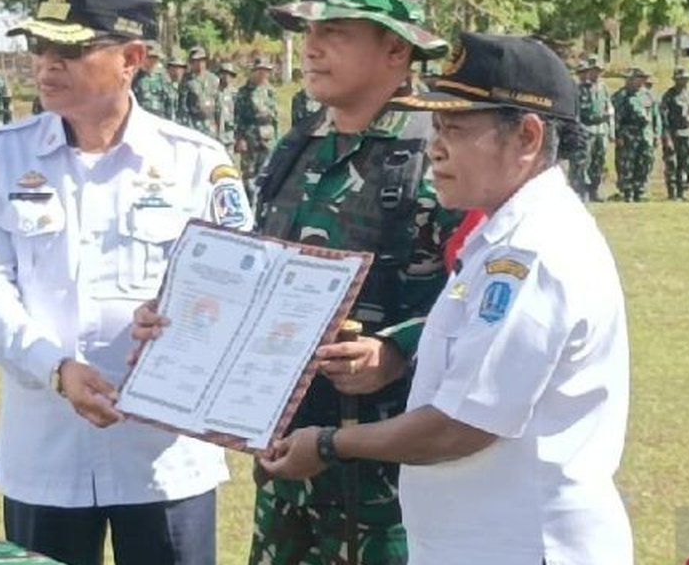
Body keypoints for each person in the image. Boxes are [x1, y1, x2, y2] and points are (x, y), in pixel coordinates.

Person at [257, 32, 634, 565]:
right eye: (436, 126)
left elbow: (461, 426)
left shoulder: (533, 251)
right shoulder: (500, 237)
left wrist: (329, 445)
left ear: (527, 136)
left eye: (455, 129)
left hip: (523, 545)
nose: (435, 146)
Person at [134, 0, 459, 565]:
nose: (312, 47)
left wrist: (396, 348)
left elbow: (477, 302)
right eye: (309, 31)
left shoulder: (439, 151)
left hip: (386, 471)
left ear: (397, 49)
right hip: (286, 455)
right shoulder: (297, 145)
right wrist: (179, 316)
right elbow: (259, 278)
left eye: (334, 31)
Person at [0, 0, 253, 565]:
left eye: (70, 51)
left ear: (132, 59)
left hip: (162, 454)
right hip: (46, 445)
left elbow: (237, 284)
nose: (47, 66)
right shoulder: (2, 154)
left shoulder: (195, 162)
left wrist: (186, 317)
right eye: (40, 49)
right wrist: (55, 368)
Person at [610, 67, 660, 202]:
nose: (640, 82)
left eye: (643, 79)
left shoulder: (648, 95)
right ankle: (627, 191)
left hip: (645, 134)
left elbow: (656, 116)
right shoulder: (620, 96)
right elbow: (615, 117)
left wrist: (656, 134)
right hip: (628, 134)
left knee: (645, 162)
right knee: (626, 163)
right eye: (638, 79)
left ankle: (640, 190)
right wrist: (618, 134)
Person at [233, 57, 281, 191]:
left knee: (267, 171)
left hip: (268, 137)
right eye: (260, 71)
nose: (263, 75)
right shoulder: (244, 92)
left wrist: (278, 138)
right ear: (253, 72)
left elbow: (275, 117)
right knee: (249, 174)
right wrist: (240, 138)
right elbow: (237, 117)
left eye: (266, 72)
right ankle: (249, 205)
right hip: (250, 138)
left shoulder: (270, 91)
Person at [568, 56, 612, 202]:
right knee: (582, 163)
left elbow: (609, 108)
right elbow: (576, 112)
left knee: (598, 162)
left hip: (601, 130)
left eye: (599, 71)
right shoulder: (579, 89)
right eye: (593, 71)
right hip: (586, 129)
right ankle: (581, 191)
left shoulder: (603, 87)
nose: (596, 74)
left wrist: (610, 130)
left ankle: (595, 190)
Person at [659, 65, 689, 201]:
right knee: (672, 163)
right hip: (673, 133)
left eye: (686, 79)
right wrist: (666, 137)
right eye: (681, 79)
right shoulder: (669, 96)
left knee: (686, 163)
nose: (684, 81)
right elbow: (663, 119)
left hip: (687, 134)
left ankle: (683, 191)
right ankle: (672, 192)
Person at [131, 40, 176, 120]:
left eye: (155, 58)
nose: (153, 61)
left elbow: (170, 101)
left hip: (159, 119)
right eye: (150, 57)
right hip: (140, 119)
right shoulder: (134, 76)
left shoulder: (163, 77)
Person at [180, 46, 216, 135]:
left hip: (211, 127)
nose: (200, 63)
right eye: (196, 61)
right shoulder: (186, 81)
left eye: (202, 60)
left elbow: (219, 104)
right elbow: (183, 107)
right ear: (191, 62)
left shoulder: (214, 80)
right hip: (194, 126)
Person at [212, 61, 239, 153]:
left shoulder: (235, 94)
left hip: (229, 136)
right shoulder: (213, 92)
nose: (226, 77)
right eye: (223, 74)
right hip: (214, 135)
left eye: (229, 74)